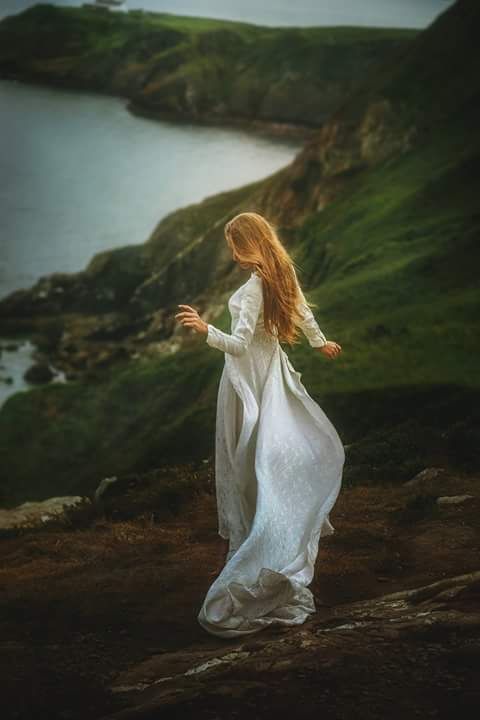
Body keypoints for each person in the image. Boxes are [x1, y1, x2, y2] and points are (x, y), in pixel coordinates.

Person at [175, 211, 344, 638]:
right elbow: (303, 314)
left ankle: (257, 538)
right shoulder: (283, 271)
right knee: (271, 451)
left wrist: (204, 328)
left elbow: (237, 344)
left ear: (248, 243)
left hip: (246, 383)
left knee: (247, 459)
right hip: (272, 375)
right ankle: (263, 529)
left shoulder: (253, 288)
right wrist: (320, 342)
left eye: (235, 246)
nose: (233, 255)